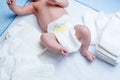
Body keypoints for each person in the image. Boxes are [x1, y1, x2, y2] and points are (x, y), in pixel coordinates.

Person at [7, 0, 95, 61]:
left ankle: (85, 49)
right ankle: (59, 48)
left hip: (70, 28)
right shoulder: (34, 5)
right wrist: (13, 6)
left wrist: (57, 1)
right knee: (44, 37)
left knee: (84, 30)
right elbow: (20, 11)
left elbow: (66, 3)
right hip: (55, 34)